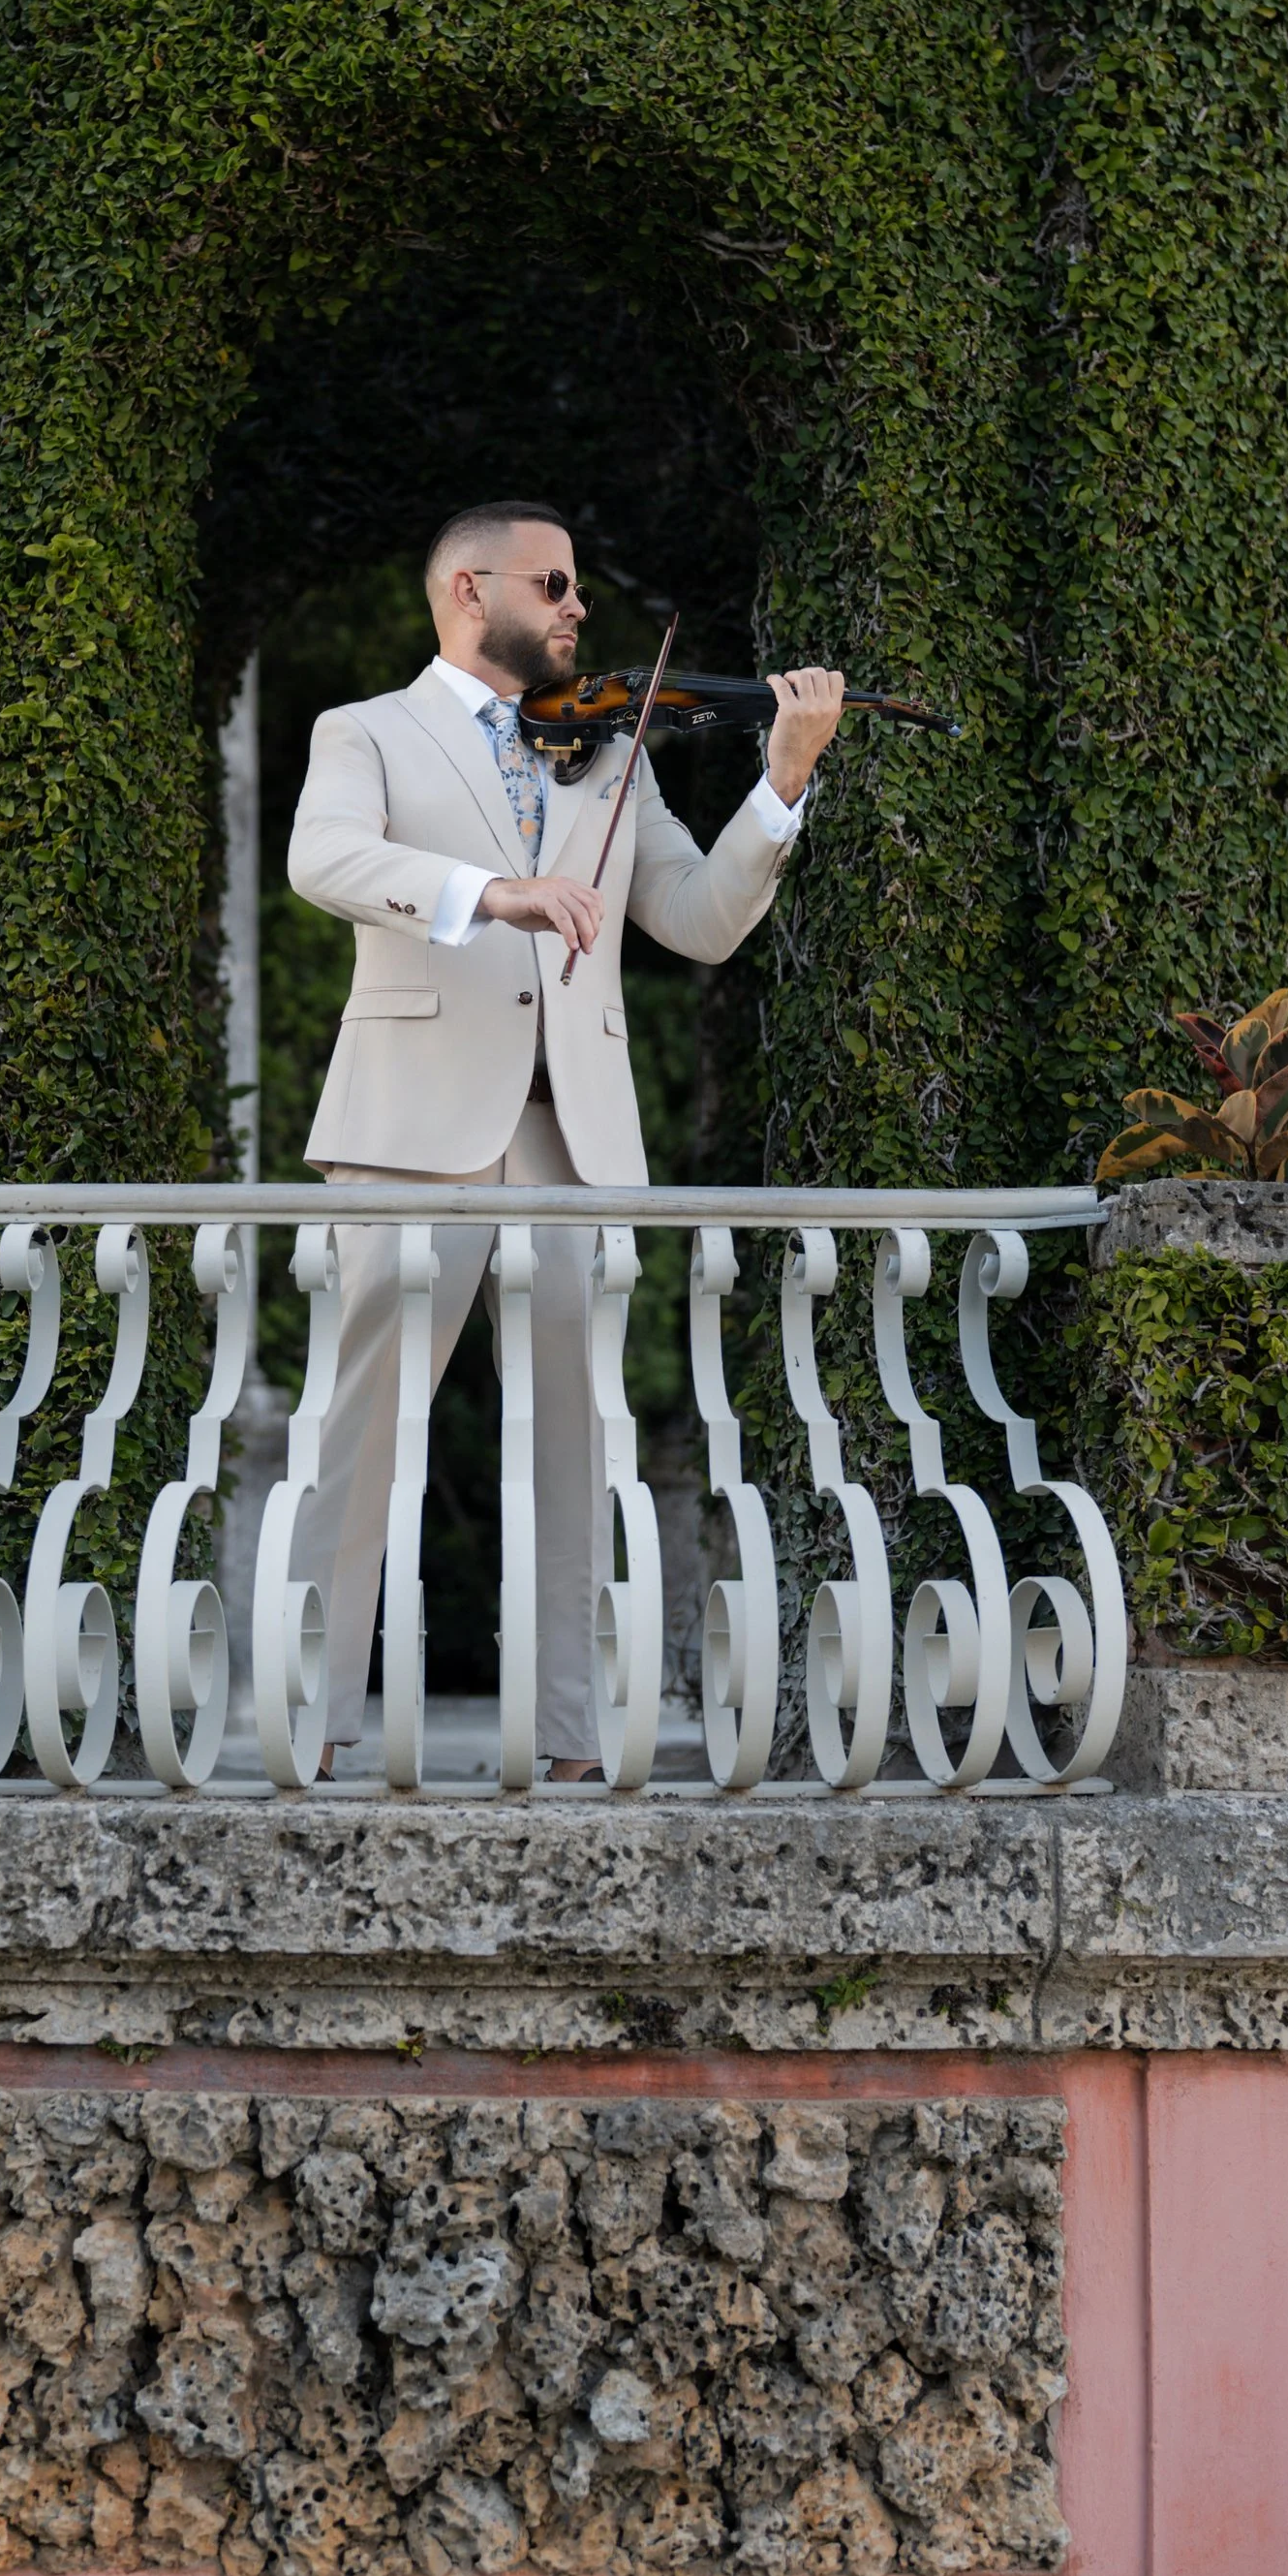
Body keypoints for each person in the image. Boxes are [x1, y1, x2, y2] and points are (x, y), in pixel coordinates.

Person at [284, 500, 846, 1779]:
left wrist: (781, 785)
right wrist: (493, 893)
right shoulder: (364, 732)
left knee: (576, 1442)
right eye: (556, 584)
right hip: (410, 1129)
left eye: (581, 586)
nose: (580, 607)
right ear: (470, 594)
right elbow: (324, 859)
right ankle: (310, 1719)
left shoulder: (611, 752)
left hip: (574, 1141)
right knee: (361, 1434)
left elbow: (700, 919)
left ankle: (573, 1735)